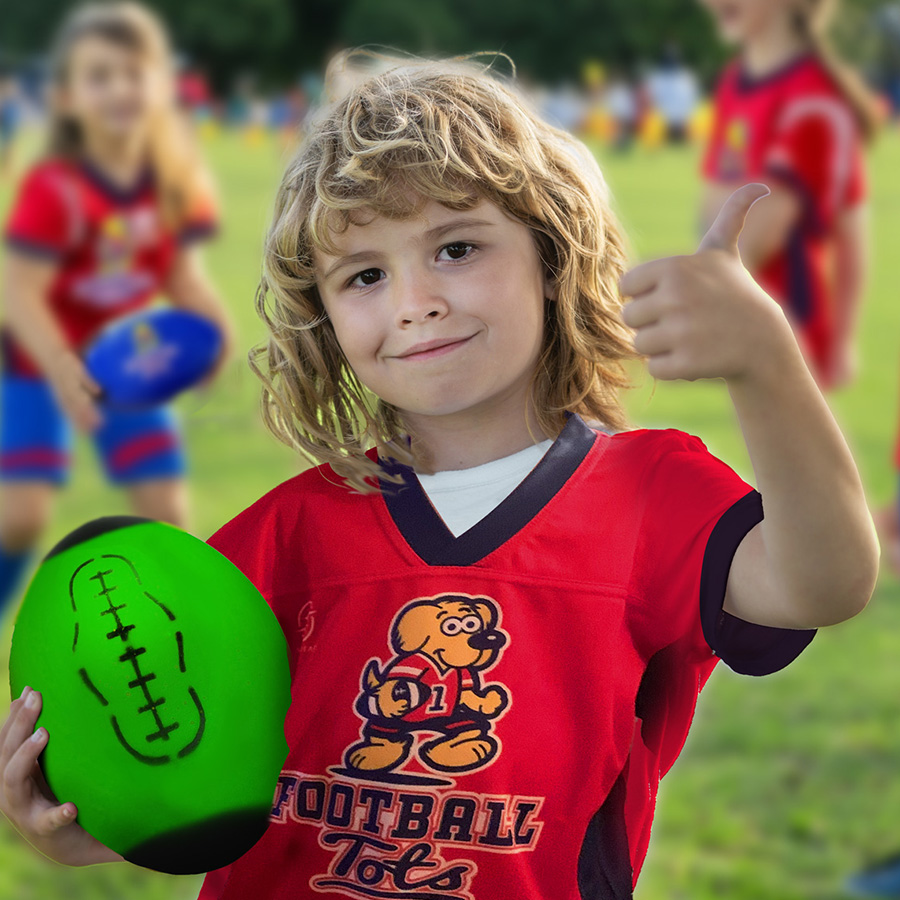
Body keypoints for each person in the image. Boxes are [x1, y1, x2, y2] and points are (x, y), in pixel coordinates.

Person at [0, 53, 879, 899]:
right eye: (366, 275)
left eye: (456, 248)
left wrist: (767, 365)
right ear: (324, 322)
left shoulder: (651, 497)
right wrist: (100, 805)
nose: (414, 301)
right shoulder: (289, 532)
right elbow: (174, 732)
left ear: (552, 254)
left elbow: (825, 582)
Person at [0, 2, 232, 621]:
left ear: (162, 84)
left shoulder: (174, 177)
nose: (121, 89)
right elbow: (19, 290)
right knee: (20, 515)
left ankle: (187, 640)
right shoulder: (56, 188)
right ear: (69, 97)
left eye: (135, 73)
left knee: (168, 515)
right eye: (100, 76)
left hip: (128, 367)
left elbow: (179, 274)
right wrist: (58, 365)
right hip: (34, 363)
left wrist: (212, 328)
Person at [700, 0, 879, 390]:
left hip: (791, 321)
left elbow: (845, 231)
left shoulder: (813, 99)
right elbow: (714, 203)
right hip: (735, 310)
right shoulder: (734, 82)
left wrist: (843, 338)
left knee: (797, 446)